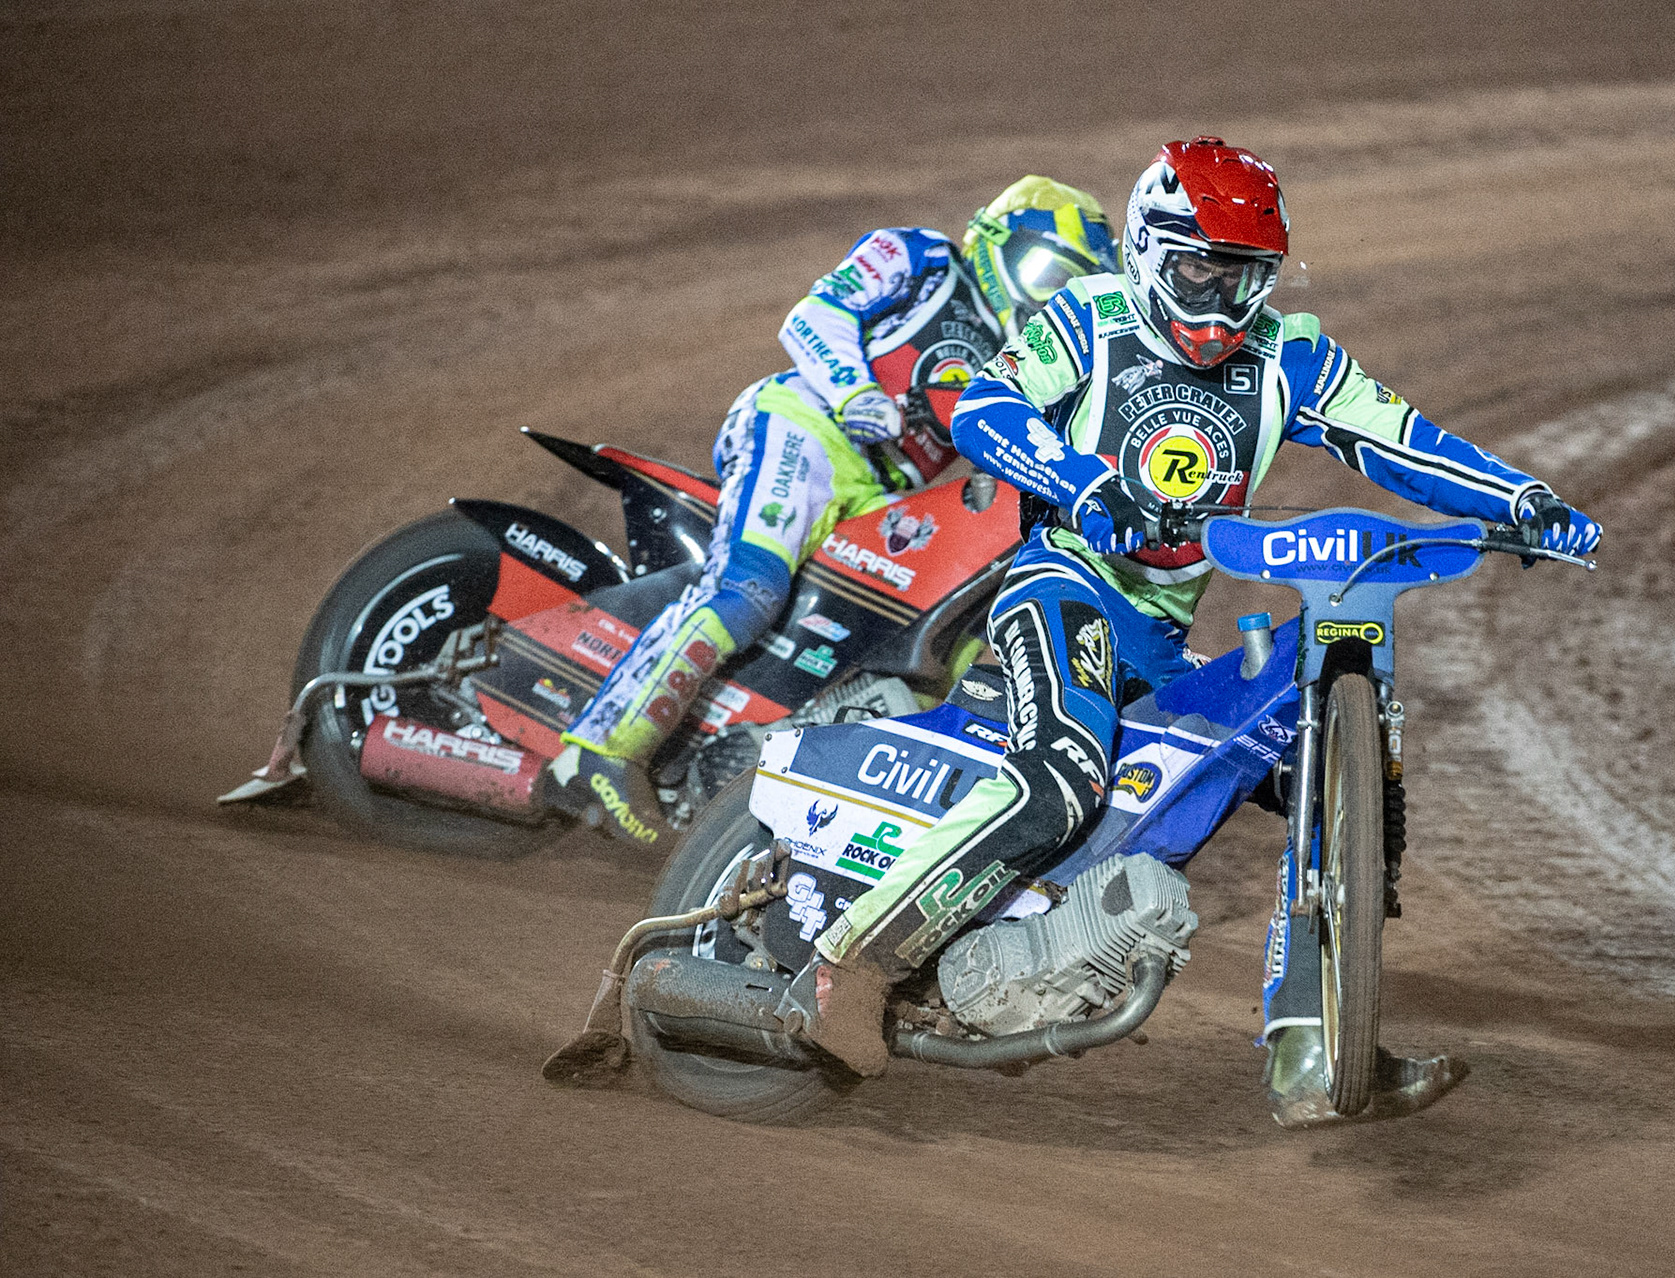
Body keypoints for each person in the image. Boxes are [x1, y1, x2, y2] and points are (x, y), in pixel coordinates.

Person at [797, 138, 1602, 1099]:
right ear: (1146, 249)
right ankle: (853, 966)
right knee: (1064, 775)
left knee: (1316, 766)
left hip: (1161, 639)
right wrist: (1086, 485)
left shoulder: (1290, 354)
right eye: (1198, 272)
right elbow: (986, 408)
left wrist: (1520, 501)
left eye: (1243, 278)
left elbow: (1405, 441)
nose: (1220, 304)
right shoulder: (1088, 318)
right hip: (1063, 588)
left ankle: (1316, 1046)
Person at [558, 178, 1119, 838]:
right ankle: (598, 752)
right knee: (748, 589)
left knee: (923, 642)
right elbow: (813, 314)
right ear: (998, 240)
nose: (1045, 293)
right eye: (1045, 270)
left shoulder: (1027, 363)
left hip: (882, 490)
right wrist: (854, 392)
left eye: (1066, 285)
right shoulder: (923, 258)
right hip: (807, 426)